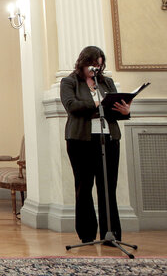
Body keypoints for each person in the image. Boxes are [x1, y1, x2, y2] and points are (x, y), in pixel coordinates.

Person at [60, 46, 131, 244]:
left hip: (108, 139)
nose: (96, 69)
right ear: (82, 63)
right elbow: (72, 106)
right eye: (92, 65)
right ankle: (87, 234)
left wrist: (125, 111)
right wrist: (98, 105)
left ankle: (111, 235)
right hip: (80, 141)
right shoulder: (70, 82)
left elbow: (115, 108)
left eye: (99, 66)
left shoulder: (106, 82)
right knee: (84, 186)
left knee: (108, 186)